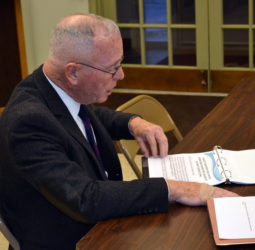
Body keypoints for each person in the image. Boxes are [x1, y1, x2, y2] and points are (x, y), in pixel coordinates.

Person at [0, 14, 238, 250]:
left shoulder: (56, 87)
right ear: (73, 72)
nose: (121, 75)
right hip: (72, 239)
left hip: (97, 221)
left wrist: (132, 123)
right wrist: (175, 189)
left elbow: (82, 117)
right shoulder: (27, 123)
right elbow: (86, 199)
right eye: (112, 68)